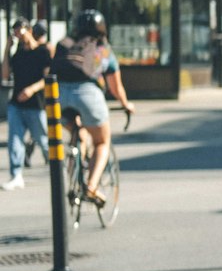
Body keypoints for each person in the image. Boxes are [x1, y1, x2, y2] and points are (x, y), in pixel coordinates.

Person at [49, 11, 135, 204]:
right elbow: (115, 87)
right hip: (88, 94)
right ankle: (91, 187)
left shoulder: (63, 45)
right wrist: (126, 104)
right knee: (102, 141)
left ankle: (73, 177)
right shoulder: (102, 49)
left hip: (57, 97)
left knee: (77, 133)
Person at [2, 18, 50, 191]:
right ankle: (16, 176)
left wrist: (31, 89)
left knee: (44, 141)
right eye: (15, 32)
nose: (18, 35)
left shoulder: (42, 52)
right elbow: (5, 75)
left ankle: (59, 168)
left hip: (36, 105)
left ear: (29, 30)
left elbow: (48, 79)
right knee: (14, 141)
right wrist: (7, 47)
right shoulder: (18, 54)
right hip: (16, 104)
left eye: (20, 30)